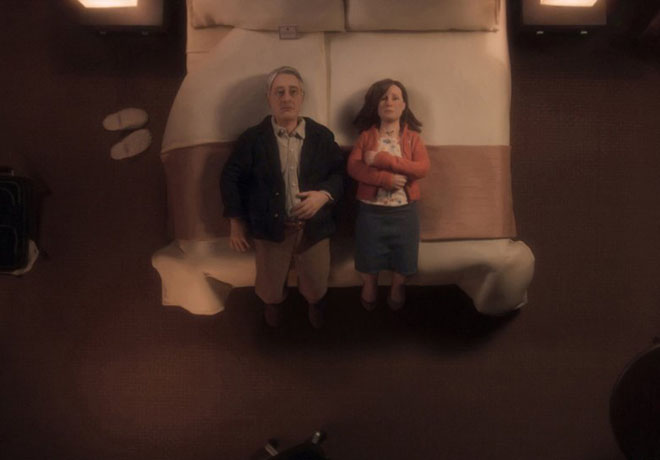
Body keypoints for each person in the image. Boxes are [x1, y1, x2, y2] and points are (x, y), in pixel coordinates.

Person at [220, 66, 345, 328]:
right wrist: (236, 222)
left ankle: (315, 303)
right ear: (269, 98)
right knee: (268, 287)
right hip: (269, 228)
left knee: (316, 285)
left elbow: (339, 173)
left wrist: (323, 195)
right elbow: (230, 179)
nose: (286, 98)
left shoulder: (321, 136)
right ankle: (273, 303)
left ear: (302, 97)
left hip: (314, 228)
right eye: (279, 92)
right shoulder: (252, 139)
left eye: (293, 91)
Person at [347, 79, 430, 311]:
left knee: (405, 254)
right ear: (375, 105)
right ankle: (370, 284)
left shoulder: (413, 139)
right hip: (371, 212)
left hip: (405, 212)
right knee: (368, 252)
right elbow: (354, 167)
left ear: (404, 105)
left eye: (395, 98)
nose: (389, 102)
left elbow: (422, 168)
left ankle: (397, 286)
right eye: (383, 98)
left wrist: (383, 159)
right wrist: (386, 180)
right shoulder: (366, 138)